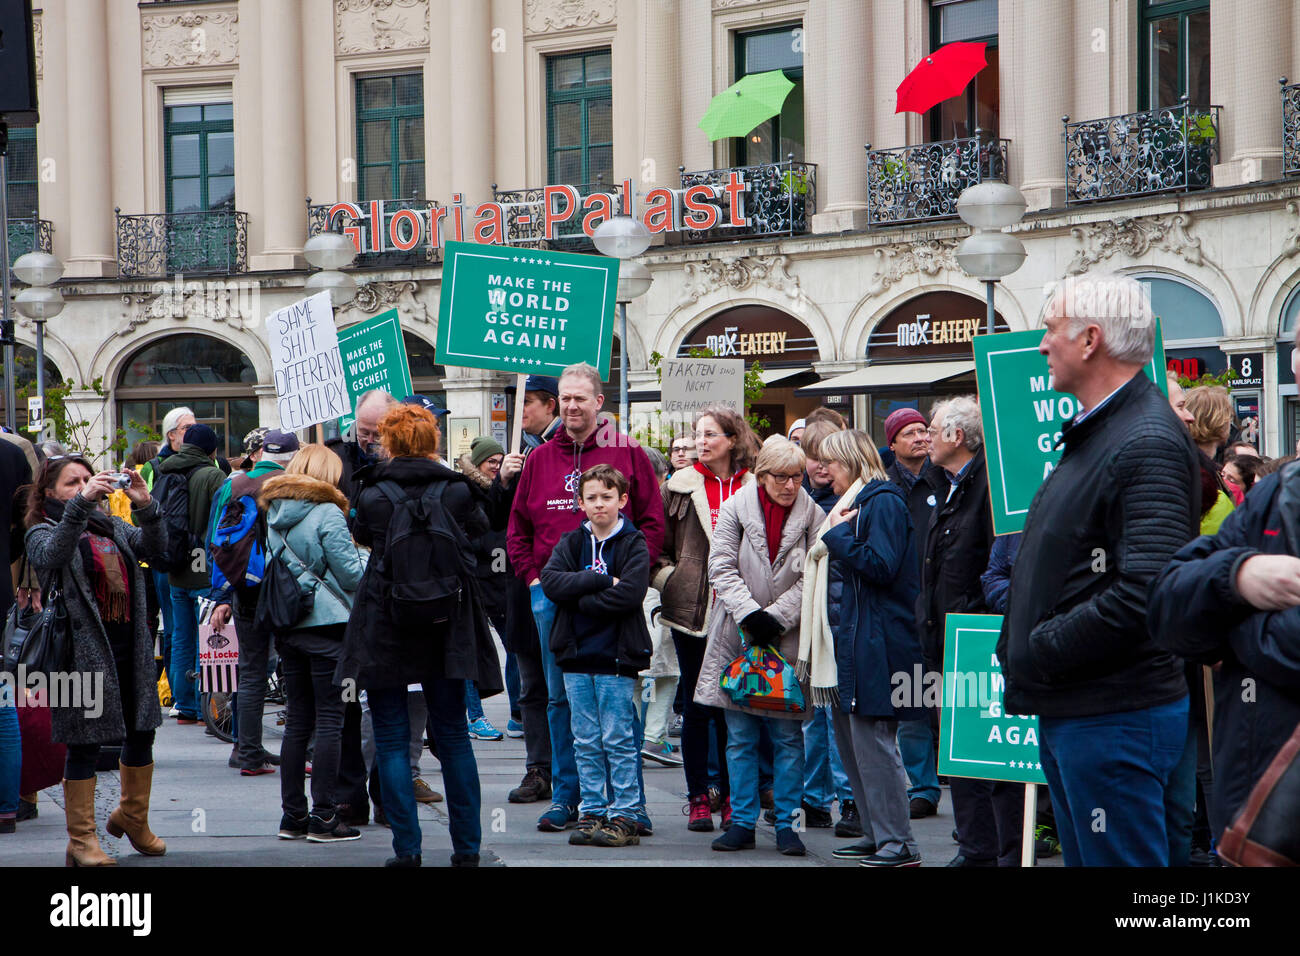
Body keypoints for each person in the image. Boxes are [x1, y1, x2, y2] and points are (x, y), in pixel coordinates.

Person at [998, 272, 1200, 867]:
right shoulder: (1106, 431)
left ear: (1090, 340)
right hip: (1085, 711)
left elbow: (1147, 590)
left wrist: (1040, 646)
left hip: (1113, 716)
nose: (1040, 345)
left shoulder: (1145, 440)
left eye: (1050, 328)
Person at [339, 403, 502, 867]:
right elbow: (479, 534)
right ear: (432, 442)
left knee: (391, 738)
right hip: (446, 623)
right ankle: (467, 849)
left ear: (388, 442)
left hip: (387, 622)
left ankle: (407, 851)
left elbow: (365, 538)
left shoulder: (371, 492)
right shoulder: (457, 491)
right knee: (452, 736)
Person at [507, 363, 665, 833]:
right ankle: (569, 798)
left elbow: (653, 523)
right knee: (560, 701)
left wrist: (632, 571)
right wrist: (534, 580)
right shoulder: (537, 459)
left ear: (599, 401)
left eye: (581, 397)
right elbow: (518, 528)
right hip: (552, 600)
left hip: (616, 603)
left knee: (619, 706)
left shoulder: (628, 452)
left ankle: (628, 808)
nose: (573, 405)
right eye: (566, 397)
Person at [1149, 460, 1300, 860]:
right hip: (1255, 833)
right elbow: (1166, 607)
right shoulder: (1279, 493)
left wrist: (1233, 632)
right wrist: (1236, 577)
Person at [24, 456, 166, 866]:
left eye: (88, 479)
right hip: (79, 655)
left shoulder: (111, 525)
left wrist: (144, 504)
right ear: (50, 492)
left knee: (143, 732)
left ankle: (133, 817)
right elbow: (52, 556)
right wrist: (81, 505)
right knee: (84, 745)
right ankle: (83, 840)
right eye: (73, 483)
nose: (86, 485)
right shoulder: (42, 531)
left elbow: (157, 550)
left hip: (129, 647)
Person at [800, 429, 924, 867]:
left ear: (850, 461)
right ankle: (877, 835)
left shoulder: (882, 501)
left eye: (828, 462)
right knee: (854, 748)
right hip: (852, 643)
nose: (821, 471)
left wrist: (838, 538)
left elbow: (882, 567)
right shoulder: (855, 503)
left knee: (875, 748)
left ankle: (899, 843)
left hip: (879, 643)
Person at [692, 438, 820, 855]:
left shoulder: (814, 513)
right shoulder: (734, 509)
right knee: (740, 738)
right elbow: (721, 565)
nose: (789, 485)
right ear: (762, 475)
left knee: (787, 738)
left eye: (796, 476)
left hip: (790, 638)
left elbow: (816, 575)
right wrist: (751, 615)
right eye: (780, 476)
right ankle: (742, 822)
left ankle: (787, 824)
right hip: (738, 636)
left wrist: (776, 617)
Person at [918, 396, 1025, 866]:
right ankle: (976, 846)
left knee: (992, 755)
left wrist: (973, 616)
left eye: (933, 428)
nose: (925, 436)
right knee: (960, 750)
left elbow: (996, 564)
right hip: (951, 637)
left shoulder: (988, 486)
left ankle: (1004, 850)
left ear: (956, 437)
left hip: (980, 638)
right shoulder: (950, 483)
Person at [650, 404, 758, 831]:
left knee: (733, 708)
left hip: (742, 613)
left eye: (710, 434)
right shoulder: (678, 486)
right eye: (698, 434)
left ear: (732, 439)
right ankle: (698, 797)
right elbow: (656, 545)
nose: (701, 441)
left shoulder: (753, 485)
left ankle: (733, 798)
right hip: (690, 613)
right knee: (697, 706)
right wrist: (669, 580)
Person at [540, 463, 653, 847]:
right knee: (585, 739)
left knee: (618, 737)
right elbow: (553, 583)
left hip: (616, 657)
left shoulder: (633, 542)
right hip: (575, 655)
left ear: (622, 500)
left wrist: (578, 598)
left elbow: (631, 594)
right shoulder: (571, 542)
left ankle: (625, 812)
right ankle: (592, 809)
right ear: (581, 502)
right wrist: (602, 581)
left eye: (607, 497)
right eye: (592, 498)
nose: (599, 505)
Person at [259, 445, 367, 843]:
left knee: (298, 723)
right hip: (329, 626)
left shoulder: (274, 512)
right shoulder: (327, 513)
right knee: (331, 723)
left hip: (290, 625)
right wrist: (367, 557)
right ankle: (324, 817)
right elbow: (351, 575)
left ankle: (292, 817)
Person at [208, 428, 298, 775]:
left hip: (245, 588)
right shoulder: (295, 484)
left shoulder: (233, 484)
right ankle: (298, 752)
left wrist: (221, 595)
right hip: (286, 590)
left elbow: (214, 541)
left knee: (251, 672)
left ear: (262, 453)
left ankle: (246, 752)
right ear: (292, 457)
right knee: (293, 670)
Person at [792, 421, 859, 837]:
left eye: (826, 457)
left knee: (838, 719)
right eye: (812, 455)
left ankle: (849, 799)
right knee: (812, 720)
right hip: (807, 626)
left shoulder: (848, 501)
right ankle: (814, 798)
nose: (819, 465)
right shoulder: (800, 501)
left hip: (839, 622)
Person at [503, 374, 561, 802]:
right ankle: (539, 768)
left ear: (551, 406)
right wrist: (502, 483)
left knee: (570, 689)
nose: (520, 413)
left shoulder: (565, 453)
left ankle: (571, 771)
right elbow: (503, 528)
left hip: (567, 590)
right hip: (527, 589)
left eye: (527, 405)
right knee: (533, 688)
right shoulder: (520, 456)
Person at [155, 422, 226, 725]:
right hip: (204, 564)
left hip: (176, 564)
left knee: (181, 635)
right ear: (212, 450)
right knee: (208, 636)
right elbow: (223, 520)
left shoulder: (165, 470)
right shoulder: (213, 475)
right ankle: (206, 708)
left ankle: (183, 703)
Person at [458, 435, 516, 741]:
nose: (495, 466)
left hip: (501, 580)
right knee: (472, 650)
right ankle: (474, 716)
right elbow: (474, 532)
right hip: (473, 579)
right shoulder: (465, 489)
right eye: (490, 461)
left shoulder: (507, 486)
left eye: (498, 461)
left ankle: (518, 713)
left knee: (515, 647)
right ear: (478, 462)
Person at [638, 447, 682, 768]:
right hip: (660, 590)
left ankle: (647, 735)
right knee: (661, 666)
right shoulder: (667, 500)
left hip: (652, 590)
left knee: (652, 667)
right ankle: (652, 735)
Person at [327, 389, 398, 502]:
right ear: (357, 422)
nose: (370, 441)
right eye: (364, 433)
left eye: (378, 435)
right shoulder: (333, 456)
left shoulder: (405, 460)